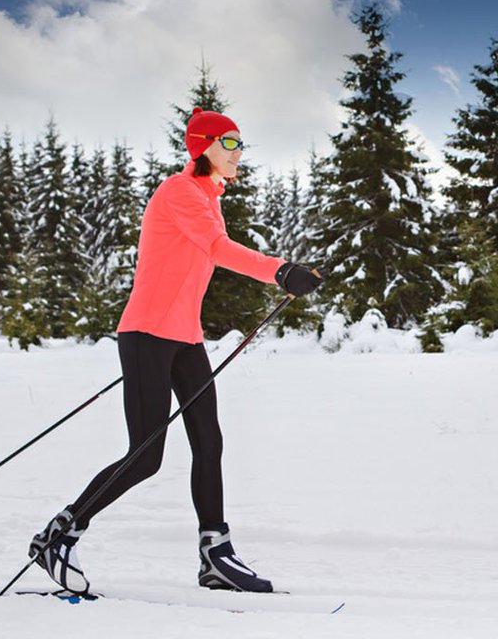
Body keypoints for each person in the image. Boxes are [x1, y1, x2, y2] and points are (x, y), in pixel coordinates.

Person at [28, 107, 322, 595]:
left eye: (240, 143)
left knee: (209, 442)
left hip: (185, 336)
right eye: (229, 143)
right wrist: (280, 269)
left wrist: (282, 271)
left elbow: (211, 248)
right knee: (146, 456)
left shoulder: (209, 197)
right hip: (146, 333)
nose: (238, 152)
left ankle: (216, 555)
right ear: (203, 145)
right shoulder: (179, 191)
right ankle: (59, 534)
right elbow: (215, 248)